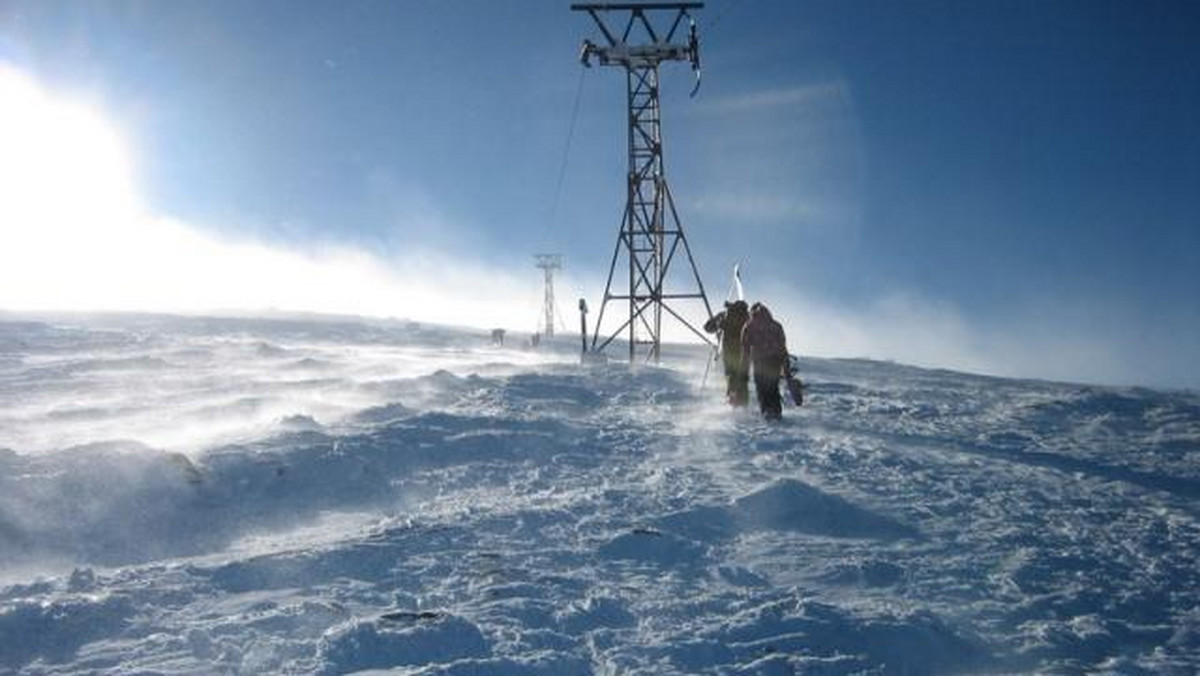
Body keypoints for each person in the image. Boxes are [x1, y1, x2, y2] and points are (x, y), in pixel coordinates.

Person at [740, 302, 788, 420]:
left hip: (760, 361)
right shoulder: (776, 325)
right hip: (775, 361)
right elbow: (783, 346)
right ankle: (777, 413)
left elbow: (745, 350)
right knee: (773, 387)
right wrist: (786, 367)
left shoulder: (749, 325)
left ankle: (766, 413)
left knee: (762, 388)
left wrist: (743, 372)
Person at [704, 300, 750, 406]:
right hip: (744, 352)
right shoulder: (747, 316)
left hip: (729, 351)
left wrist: (717, 323)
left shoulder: (725, 315)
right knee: (743, 378)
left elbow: (708, 328)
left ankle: (732, 402)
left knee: (731, 376)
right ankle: (743, 405)